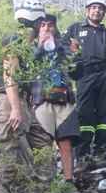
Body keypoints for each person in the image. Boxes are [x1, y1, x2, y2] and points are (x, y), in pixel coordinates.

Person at [0, 0, 55, 193]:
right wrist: (16, 110)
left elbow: (29, 71)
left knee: (44, 145)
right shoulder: (13, 40)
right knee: (7, 157)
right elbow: (10, 75)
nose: (43, 26)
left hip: (24, 103)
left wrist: (41, 46)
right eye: (41, 23)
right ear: (36, 22)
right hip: (9, 101)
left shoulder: (28, 44)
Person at [66, 0, 106, 170]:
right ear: (87, 10)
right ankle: (82, 156)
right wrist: (71, 56)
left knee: (105, 115)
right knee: (85, 113)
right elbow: (63, 52)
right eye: (94, 7)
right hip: (85, 75)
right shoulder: (75, 29)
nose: (97, 11)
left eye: (100, 8)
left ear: (104, 12)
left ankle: (100, 153)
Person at [32, 14, 80, 184]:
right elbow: (28, 69)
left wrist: (74, 53)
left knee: (66, 143)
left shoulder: (64, 47)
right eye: (43, 25)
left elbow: (75, 71)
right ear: (38, 28)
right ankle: (45, 185)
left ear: (55, 27)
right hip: (42, 101)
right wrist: (39, 47)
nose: (46, 28)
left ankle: (68, 181)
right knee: (43, 145)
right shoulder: (31, 47)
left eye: (50, 25)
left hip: (64, 102)